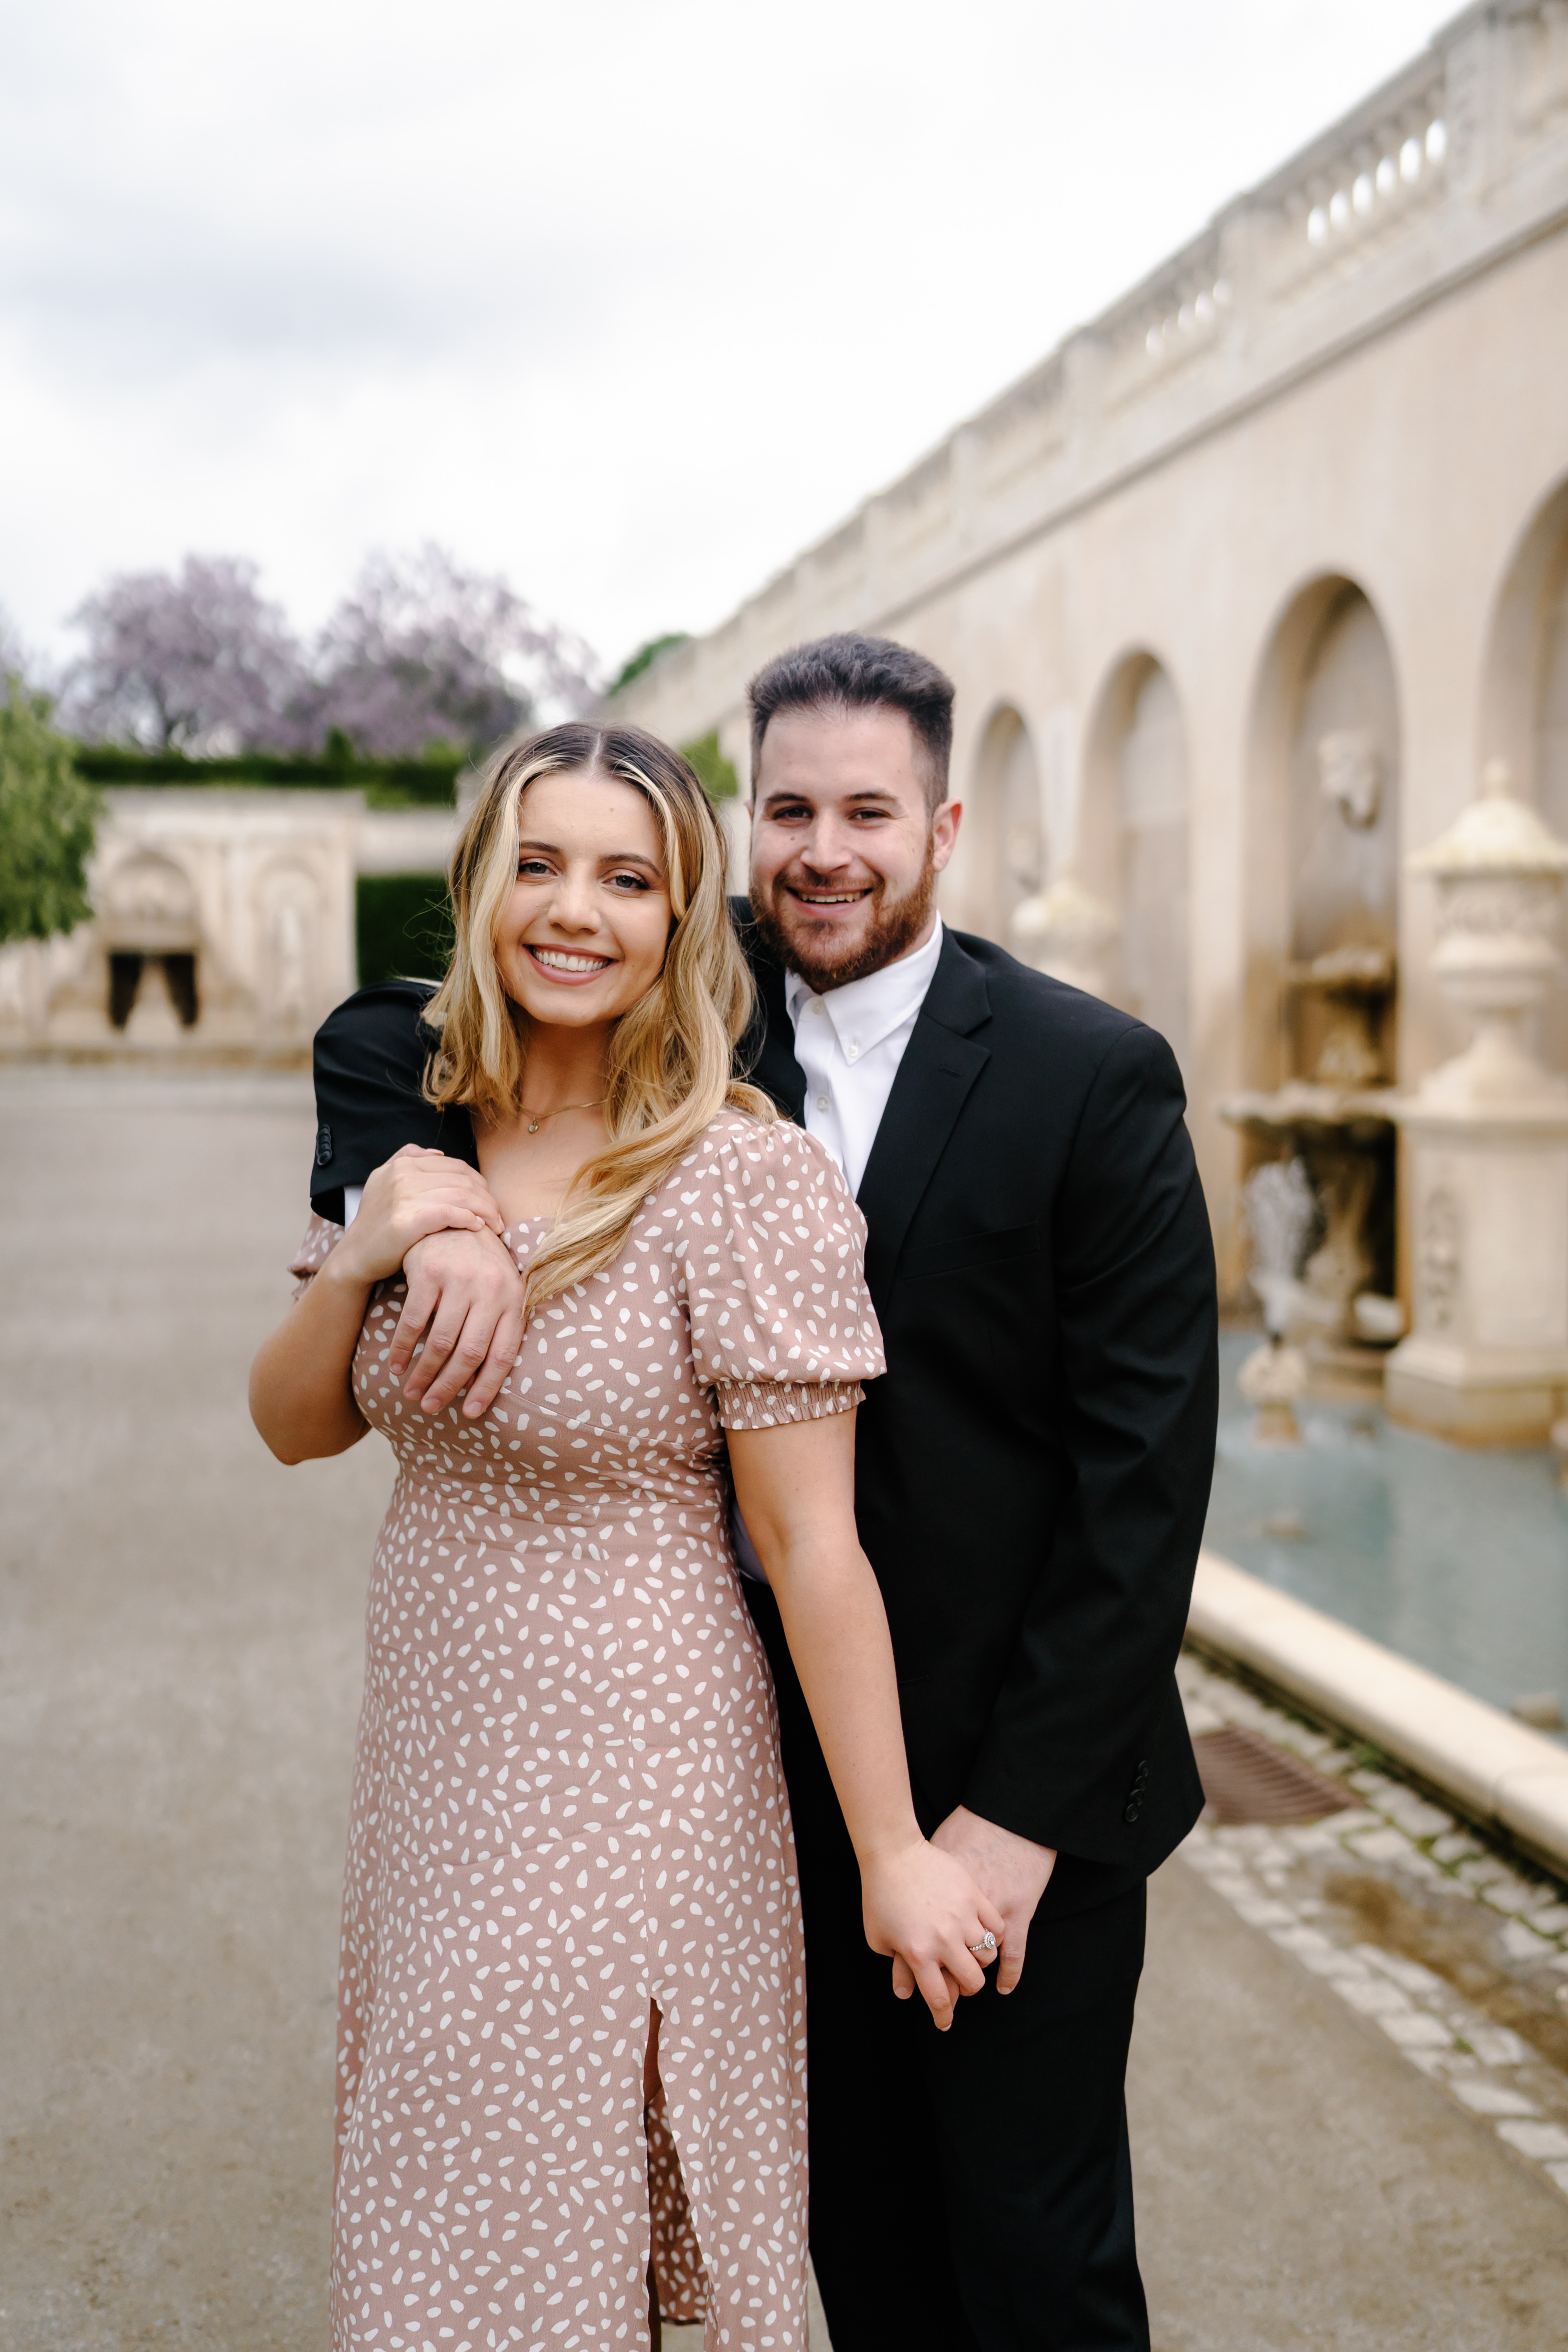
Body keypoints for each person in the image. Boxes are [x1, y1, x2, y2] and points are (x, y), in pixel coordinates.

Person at [308, 637, 1220, 2352]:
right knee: (830, 2250)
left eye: (869, 811)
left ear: (942, 824)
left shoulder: (1091, 1075)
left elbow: (1142, 1490)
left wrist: (999, 1831)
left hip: (995, 1773)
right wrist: (413, 1198)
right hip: (727, 1777)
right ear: (744, 829)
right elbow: (391, 1027)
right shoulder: (668, 992)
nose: (826, 850)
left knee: (1033, 2266)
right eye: (789, 809)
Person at [250, 719, 1004, 2352]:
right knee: (434, 2182)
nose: (573, 909)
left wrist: (888, 1853)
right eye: (537, 864)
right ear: (480, 889)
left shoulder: (740, 1178)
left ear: (680, 920)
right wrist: (368, 1241)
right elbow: (298, 1424)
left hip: (640, 1764)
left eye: (624, 876)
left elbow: (814, 1550)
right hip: (438, 1759)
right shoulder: (419, 1142)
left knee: (556, 2196)